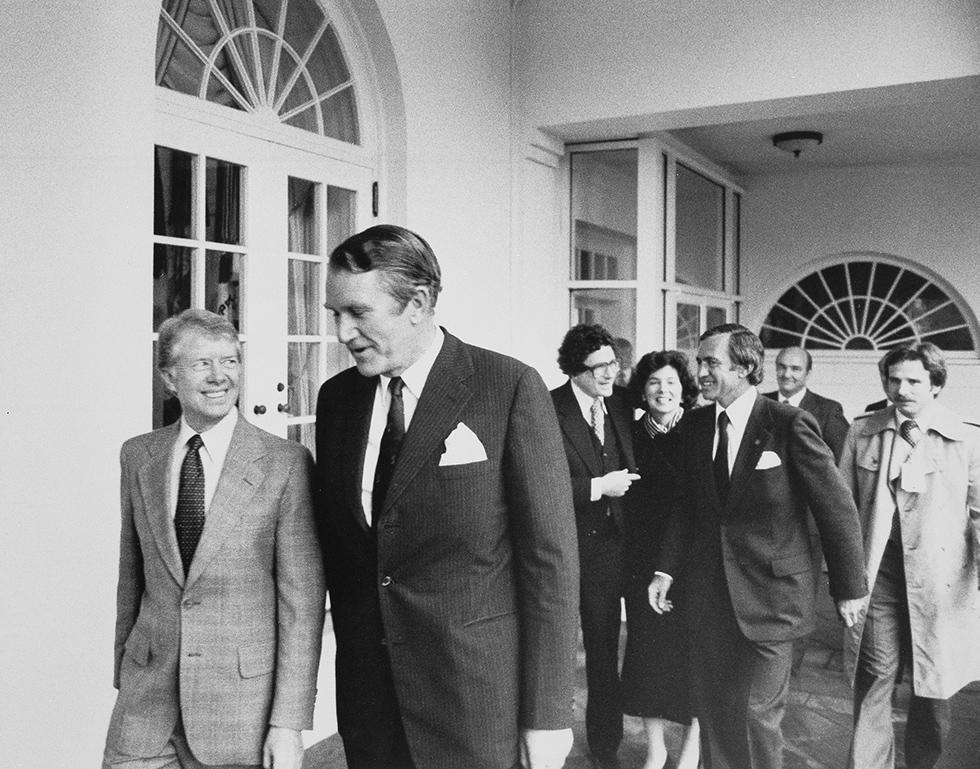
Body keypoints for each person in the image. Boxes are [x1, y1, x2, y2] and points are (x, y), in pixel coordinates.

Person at [315, 224, 580, 769]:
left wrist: (548, 715)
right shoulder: (337, 400)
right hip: (370, 707)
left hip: (474, 702)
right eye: (334, 314)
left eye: (358, 313)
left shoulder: (507, 388)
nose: (343, 332)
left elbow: (550, 565)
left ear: (417, 302)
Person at [103, 309, 326, 769]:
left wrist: (288, 725)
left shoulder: (285, 464)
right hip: (146, 703)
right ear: (169, 377)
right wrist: (124, 664)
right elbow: (133, 573)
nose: (219, 377)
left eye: (230, 361)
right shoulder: (138, 455)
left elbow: (301, 606)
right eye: (202, 363)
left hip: (240, 711)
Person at [649, 323, 867, 769]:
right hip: (711, 596)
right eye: (700, 362)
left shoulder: (788, 424)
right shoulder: (693, 426)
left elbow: (836, 509)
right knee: (714, 710)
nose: (700, 372)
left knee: (756, 712)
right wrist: (665, 570)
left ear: (746, 367)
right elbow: (687, 508)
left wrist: (849, 587)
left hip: (773, 597)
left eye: (711, 363)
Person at [839, 343, 980, 769]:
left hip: (942, 581)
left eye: (914, 381)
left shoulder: (967, 438)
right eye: (894, 380)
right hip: (877, 574)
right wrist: (844, 580)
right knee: (875, 675)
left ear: (936, 385)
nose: (902, 390)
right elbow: (841, 509)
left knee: (932, 686)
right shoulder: (862, 431)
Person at [551, 324, 640, 769]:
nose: (610, 373)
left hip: (620, 550)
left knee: (610, 652)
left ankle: (607, 745)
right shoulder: (547, 409)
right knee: (567, 652)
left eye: (613, 364)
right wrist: (596, 487)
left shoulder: (622, 406)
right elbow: (536, 485)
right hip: (568, 553)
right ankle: (550, 745)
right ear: (575, 369)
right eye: (600, 367)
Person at [619, 350, 701, 769]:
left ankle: (691, 752)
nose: (662, 390)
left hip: (693, 563)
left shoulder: (702, 430)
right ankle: (656, 748)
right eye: (653, 383)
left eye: (670, 382)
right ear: (642, 390)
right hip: (642, 559)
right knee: (647, 655)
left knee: (694, 657)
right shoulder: (630, 436)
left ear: (684, 388)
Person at [763, 345, 850, 461]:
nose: (787, 374)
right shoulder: (759, 403)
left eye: (795, 369)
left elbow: (843, 460)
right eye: (782, 367)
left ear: (808, 374)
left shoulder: (828, 410)